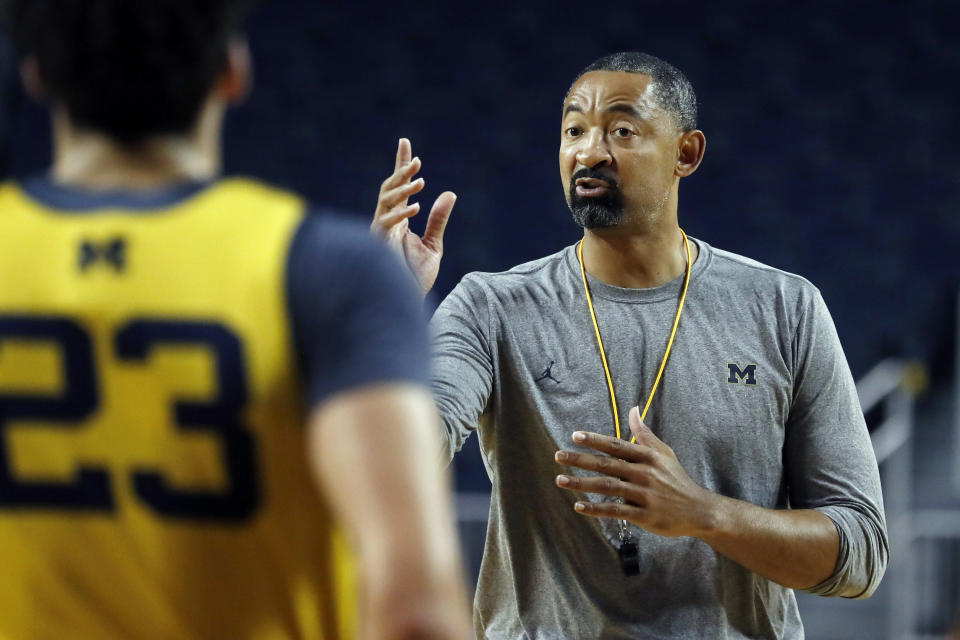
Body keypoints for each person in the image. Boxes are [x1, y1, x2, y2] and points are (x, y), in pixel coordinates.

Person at [373, 51, 888, 638]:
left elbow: (860, 555)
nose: (589, 151)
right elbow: (400, 458)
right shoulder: (491, 307)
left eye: (621, 130)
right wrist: (380, 318)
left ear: (685, 154)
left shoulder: (785, 309)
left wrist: (702, 513)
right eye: (574, 130)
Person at [0, 2, 470, 639]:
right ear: (232, 70)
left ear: (35, 74)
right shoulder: (319, 268)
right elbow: (415, 615)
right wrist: (378, 308)